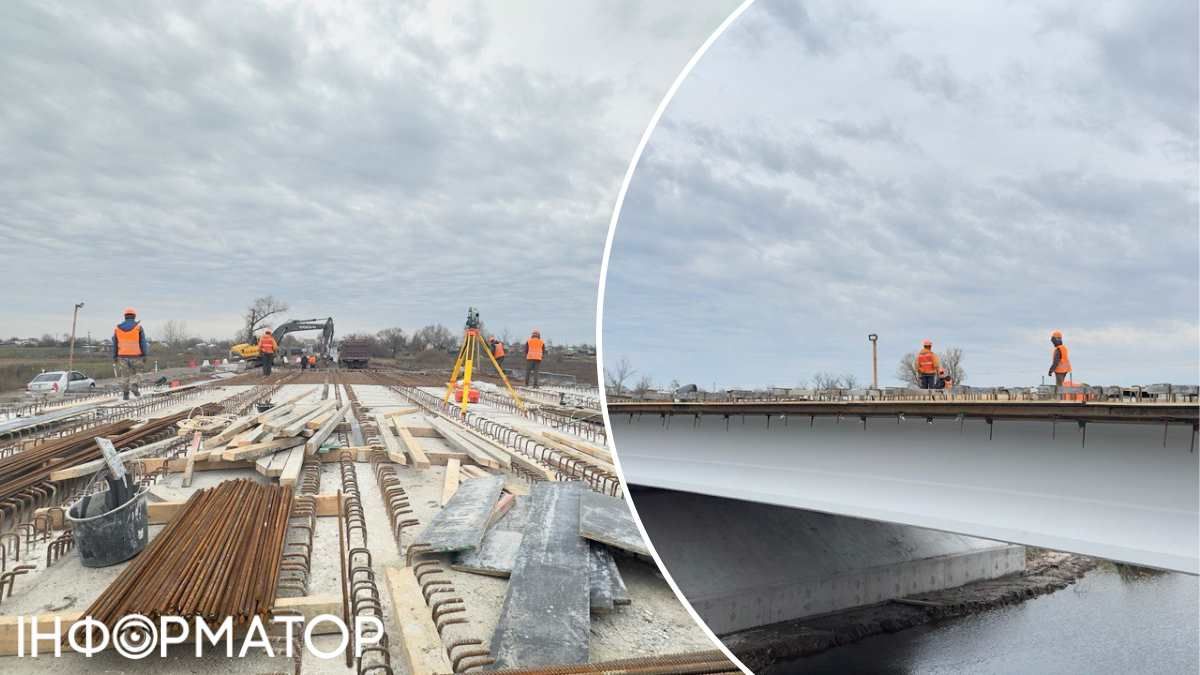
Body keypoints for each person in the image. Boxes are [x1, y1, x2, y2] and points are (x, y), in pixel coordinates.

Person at [112, 307, 148, 400]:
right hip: (136, 356)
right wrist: (144, 354)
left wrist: (115, 356)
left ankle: (125, 394)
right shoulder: (138, 328)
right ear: (134, 316)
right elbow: (143, 343)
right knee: (138, 372)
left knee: (125, 376)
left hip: (122, 356)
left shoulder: (117, 329)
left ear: (125, 317)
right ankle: (134, 385)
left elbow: (115, 344)